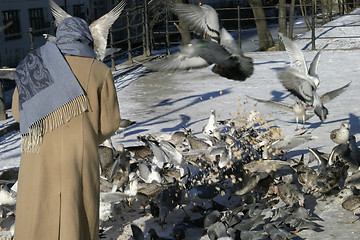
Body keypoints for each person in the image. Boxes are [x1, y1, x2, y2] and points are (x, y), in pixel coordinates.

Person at [12, 17, 120, 239]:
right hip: (79, 155)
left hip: (38, 153)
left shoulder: (34, 65)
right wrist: (87, 136)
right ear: (87, 38)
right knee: (77, 215)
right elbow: (109, 124)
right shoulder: (99, 70)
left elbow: (17, 112)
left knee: (37, 214)